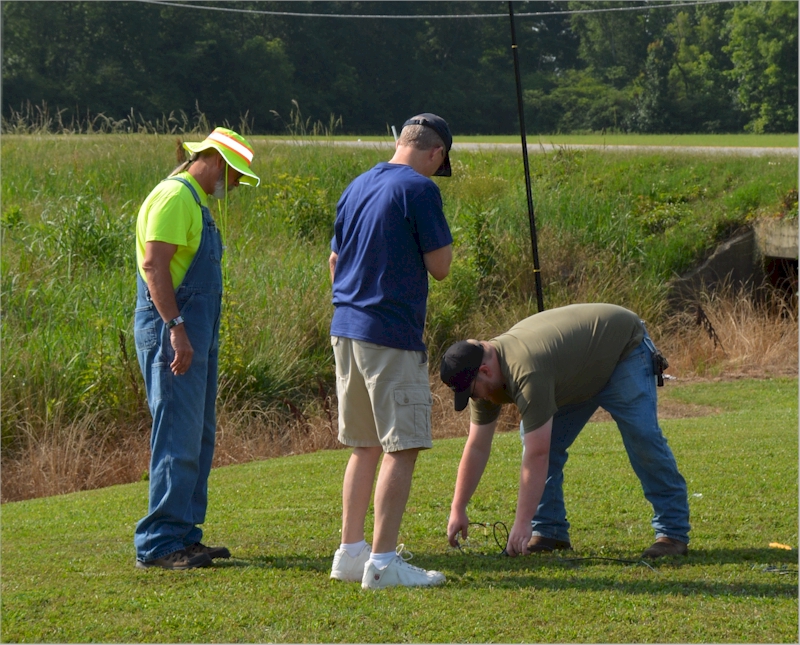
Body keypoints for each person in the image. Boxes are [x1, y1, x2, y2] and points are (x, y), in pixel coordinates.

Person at [440, 303, 691, 559]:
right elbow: (477, 446)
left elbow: (538, 454)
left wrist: (521, 522)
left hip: (621, 350)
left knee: (643, 438)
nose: (476, 398)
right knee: (543, 440)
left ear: (485, 371)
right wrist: (458, 508)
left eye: (472, 392)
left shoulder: (526, 371)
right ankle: (550, 530)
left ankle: (672, 532)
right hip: (576, 370)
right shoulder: (483, 375)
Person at [328, 113, 454, 589]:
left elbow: (335, 260)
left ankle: (350, 553)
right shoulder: (421, 190)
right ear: (436, 154)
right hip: (390, 332)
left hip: (346, 327)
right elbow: (440, 266)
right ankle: (382, 563)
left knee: (364, 446)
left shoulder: (357, 185)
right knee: (403, 446)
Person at [133, 127, 260, 570]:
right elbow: (154, 265)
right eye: (237, 176)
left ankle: (185, 535)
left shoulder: (193, 202)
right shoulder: (174, 197)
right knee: (176, 437)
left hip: (193, 335)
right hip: (176, 334)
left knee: (197, 437)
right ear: (218, 162)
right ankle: (160, 544)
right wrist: (176, 328)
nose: (236, 185)